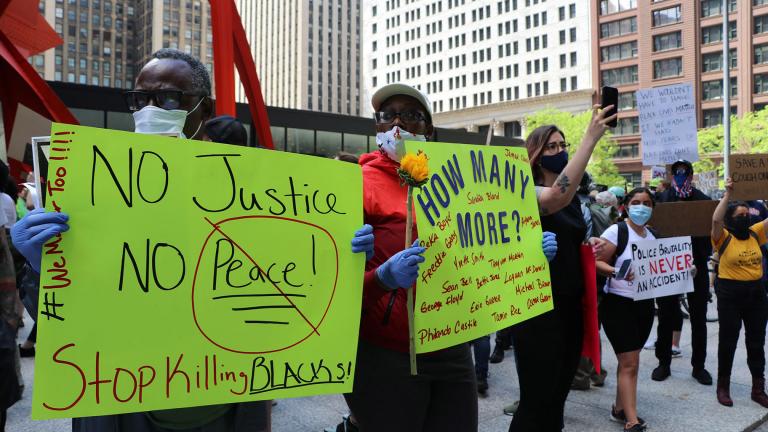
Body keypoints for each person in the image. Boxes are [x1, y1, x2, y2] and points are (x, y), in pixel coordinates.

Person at [11, 48, 375, 432]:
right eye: (141, 99)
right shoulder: (96, 187)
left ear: (204, 108)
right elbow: (62, 324)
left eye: (168, 97)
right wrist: (40, 266)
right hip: (120, 404)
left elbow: (286, 284)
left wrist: (341, 253)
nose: (150, 109)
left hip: (220, 402)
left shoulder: (251, 191)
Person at [509, 104, 615, 432]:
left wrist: (588, 248)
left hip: (570, 307)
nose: (558, 151)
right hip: (538, 311)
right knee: (536, 401)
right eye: (550, 147)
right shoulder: (526, 191)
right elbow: (555, 196)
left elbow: (567, 210)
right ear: (536, 155)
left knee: (556, 398)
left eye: (562, 145)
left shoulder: (575, 201)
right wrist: (591, 137)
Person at [596, 188, 658, 432]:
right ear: (626, 206)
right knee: (630, 362)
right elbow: (595, 261)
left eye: (646, 203)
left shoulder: (654, 235)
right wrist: (616, 272)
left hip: (644, 305)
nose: (641, 207)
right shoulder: (616, 231)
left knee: (629, 361)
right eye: (635, 202)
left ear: (652, 208)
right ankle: (631, 421)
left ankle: (619, 408)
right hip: (618, 305)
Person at [652, 160, 713, 385]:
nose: (679, 176)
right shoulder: (661, 200)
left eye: (683, 173)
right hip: (668, 266)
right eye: (675, 172)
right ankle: (663, 362)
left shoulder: (703, 200)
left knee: (699, 318)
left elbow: (709, 233)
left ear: (691, 174)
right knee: (666, 315)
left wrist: (700, 258)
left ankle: (699, 366)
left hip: (696, 268)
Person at [711, 178, 768, 408]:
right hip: (729, 294)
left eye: (748, 215)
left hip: (756, 294)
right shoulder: (722, 236)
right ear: (730, 219)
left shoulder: (755, 233)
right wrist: (728, 194)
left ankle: (758, 388)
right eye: (740, 215)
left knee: (756, 341)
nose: (746, 218)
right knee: (728, 340)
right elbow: (715, 219)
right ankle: (723, 387)